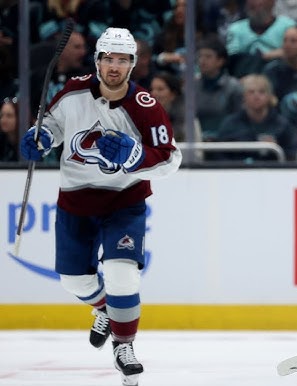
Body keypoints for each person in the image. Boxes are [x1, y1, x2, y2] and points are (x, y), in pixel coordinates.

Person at [19, 27, 182, 386]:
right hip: (76, 201)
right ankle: (106, 310)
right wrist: (40, 137)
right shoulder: (73, 92)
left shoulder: (145, 107)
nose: (114, 66)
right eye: (108, 58)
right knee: (74, 281)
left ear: (132, 64)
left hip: (124, 202)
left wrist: (137, 157)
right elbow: (52, 126)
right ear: (97, 60)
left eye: (122, 59)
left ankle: (124, 347)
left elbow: (170, 159)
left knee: (123, 273)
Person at [0, 97, 19, 161]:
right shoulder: (2, 140)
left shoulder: (29, 142)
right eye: (1, 115)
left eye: (9, 116)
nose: (3, 120)